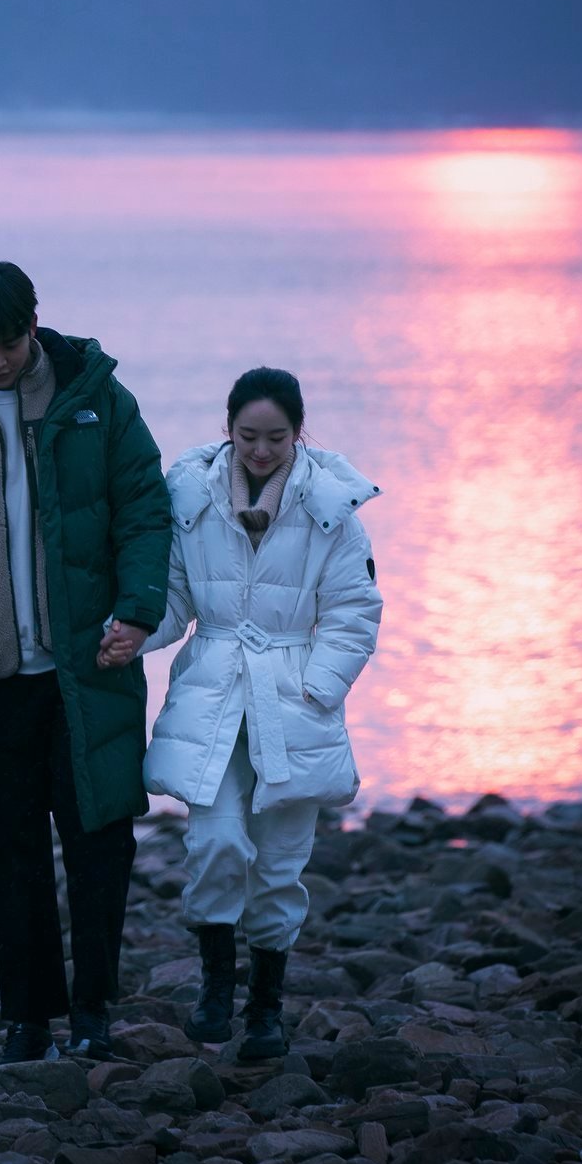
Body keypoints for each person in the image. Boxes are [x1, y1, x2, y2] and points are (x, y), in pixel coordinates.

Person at [0, 261, 171, 1064]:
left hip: (87, 664)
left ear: (33, 325)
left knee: (101, 842)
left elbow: (145, 510)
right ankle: (29, 1020)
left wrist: (138, 609)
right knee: (10, 853)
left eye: (9, 343)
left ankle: (94, 1012)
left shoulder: (99, 400)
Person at [101, 367, 382, 1059]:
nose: (261, 450)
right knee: (216, 844)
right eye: (248, 435)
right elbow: (173, 599)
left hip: (294, 701)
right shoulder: (190, 499)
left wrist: (317, 689)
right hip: (214, 692)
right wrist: (131, 632)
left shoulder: (331, 508)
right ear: (227, 428)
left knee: (281, 863)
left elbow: (353, 612)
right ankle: (215, 990)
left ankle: (265, 1008)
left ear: (299, 432)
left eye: (276, 437)